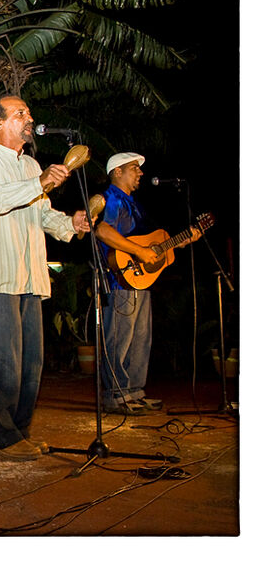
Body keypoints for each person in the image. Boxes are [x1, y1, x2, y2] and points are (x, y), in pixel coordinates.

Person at [0, 95, 90, 461]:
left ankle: (20, 431)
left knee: (31, 363)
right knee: (4, 362)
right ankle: (3, 437)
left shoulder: (31, 165)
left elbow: (43, 214)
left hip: (31, 275)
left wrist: (71, 224)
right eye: (20, 113)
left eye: (29, 113)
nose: (29, 118)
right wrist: (40, 182)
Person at [95, 152, 200, 415]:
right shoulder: (112, 199)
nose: (141, 173)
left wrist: (180, 241)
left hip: (139, 280)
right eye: (134, 168)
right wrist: (139, 252)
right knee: (120, 338)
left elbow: (150, 243)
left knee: (140, 338)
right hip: (119, 280)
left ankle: (134, 391)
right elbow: (103, 231)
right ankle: (115, 394)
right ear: (117, 172)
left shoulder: (134, 204)